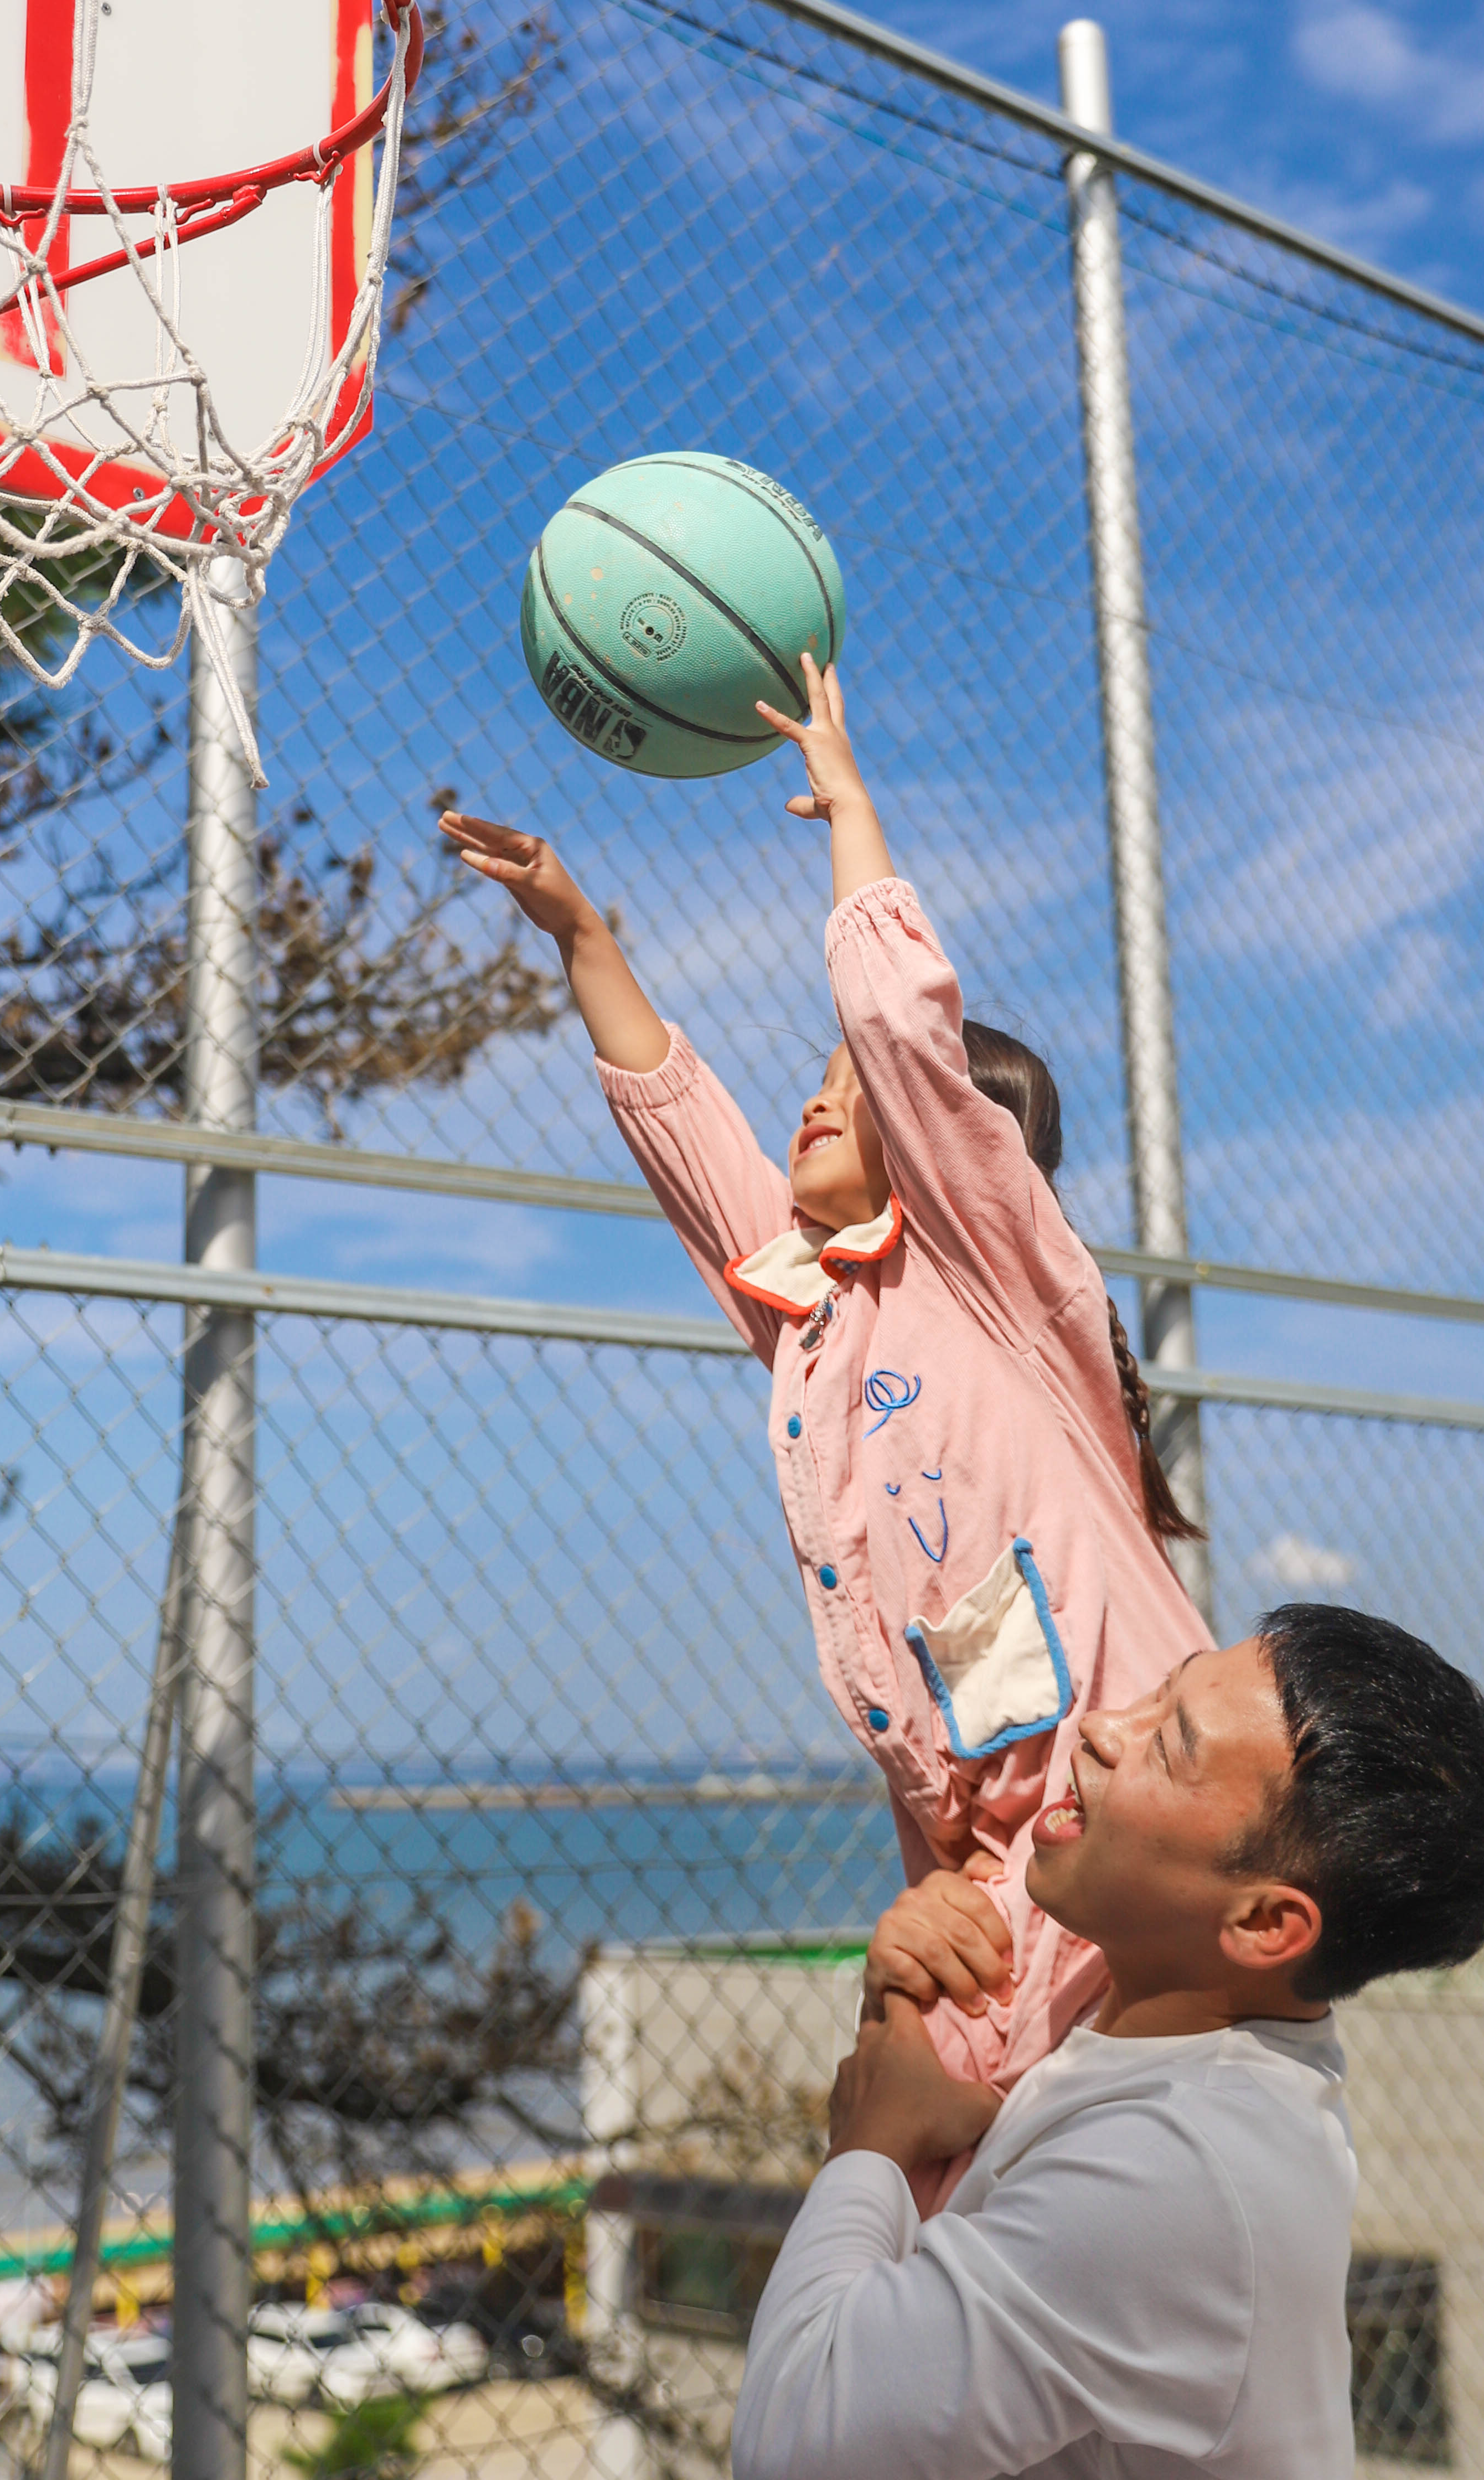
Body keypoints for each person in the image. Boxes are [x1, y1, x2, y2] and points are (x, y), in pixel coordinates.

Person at [441, 657, 1203, 2145]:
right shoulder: (817, 1315)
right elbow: (694, 1152)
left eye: (854, 1089)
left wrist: (849, 812)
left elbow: (910, 1037)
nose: (824, 1096)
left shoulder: (996, 1279)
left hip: (1146, 1851)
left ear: (950, 1154)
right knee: (934, 2200)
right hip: (997, 1881)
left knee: (1057, 2209)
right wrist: (586, 933)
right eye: (825, 1080)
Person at [730, 1603, 1484, 2480]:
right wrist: (920, 1964)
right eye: (1157, 1693)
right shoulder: (1158, 2002)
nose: (1105, 1727)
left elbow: (791, 2446)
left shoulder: (1177, 2169)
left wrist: (869, 2144)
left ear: (1265, 1924)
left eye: (1170, 1747)